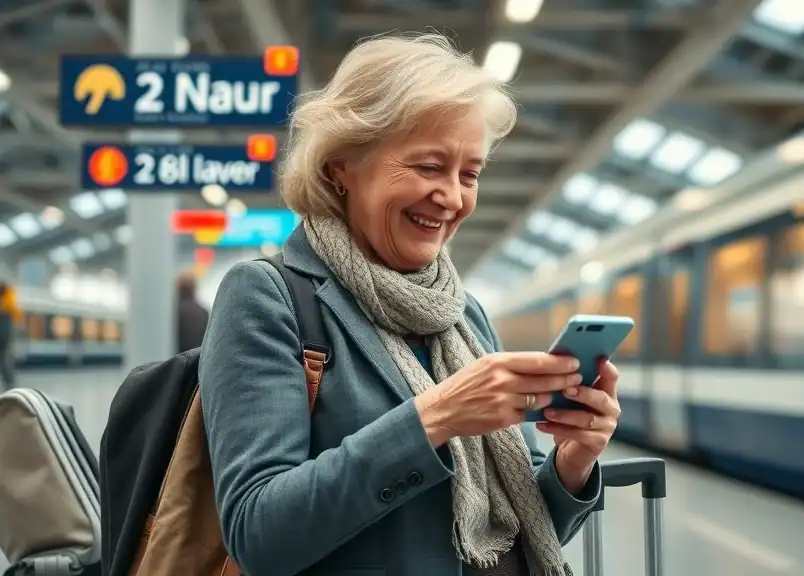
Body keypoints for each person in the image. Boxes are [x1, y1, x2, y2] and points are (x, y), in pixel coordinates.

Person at [198, 33, 622, 576]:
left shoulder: (462, 314)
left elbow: (517, 528)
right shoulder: (267, 296)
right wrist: (435, 417)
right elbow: (257, 533)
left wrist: (573, 460)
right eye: (427, 167)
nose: (452, 197)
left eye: (469, 174)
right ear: (339, 167)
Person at [174, 270, 209, 353]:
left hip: (176, 360)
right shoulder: (203, 312)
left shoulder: (173, 312)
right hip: (196, 360)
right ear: (194, 288)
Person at [0, 280, 20, 391]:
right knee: (6, 362)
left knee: (5, 362)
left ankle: (9, 384)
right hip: (5, 339)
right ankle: (9, 384)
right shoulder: (9, 302)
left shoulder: (7, 305)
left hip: (3, 339)